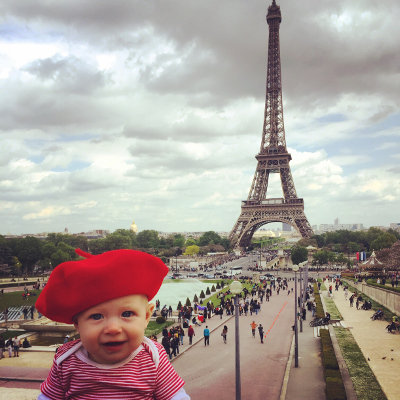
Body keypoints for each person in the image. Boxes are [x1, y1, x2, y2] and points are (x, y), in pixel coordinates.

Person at [35, 248, 189, 400]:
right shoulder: (66, 361)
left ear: (146, 316)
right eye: (96, 316)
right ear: (77, 323)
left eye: (127, 314)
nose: (113, 329)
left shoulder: (153, 357)